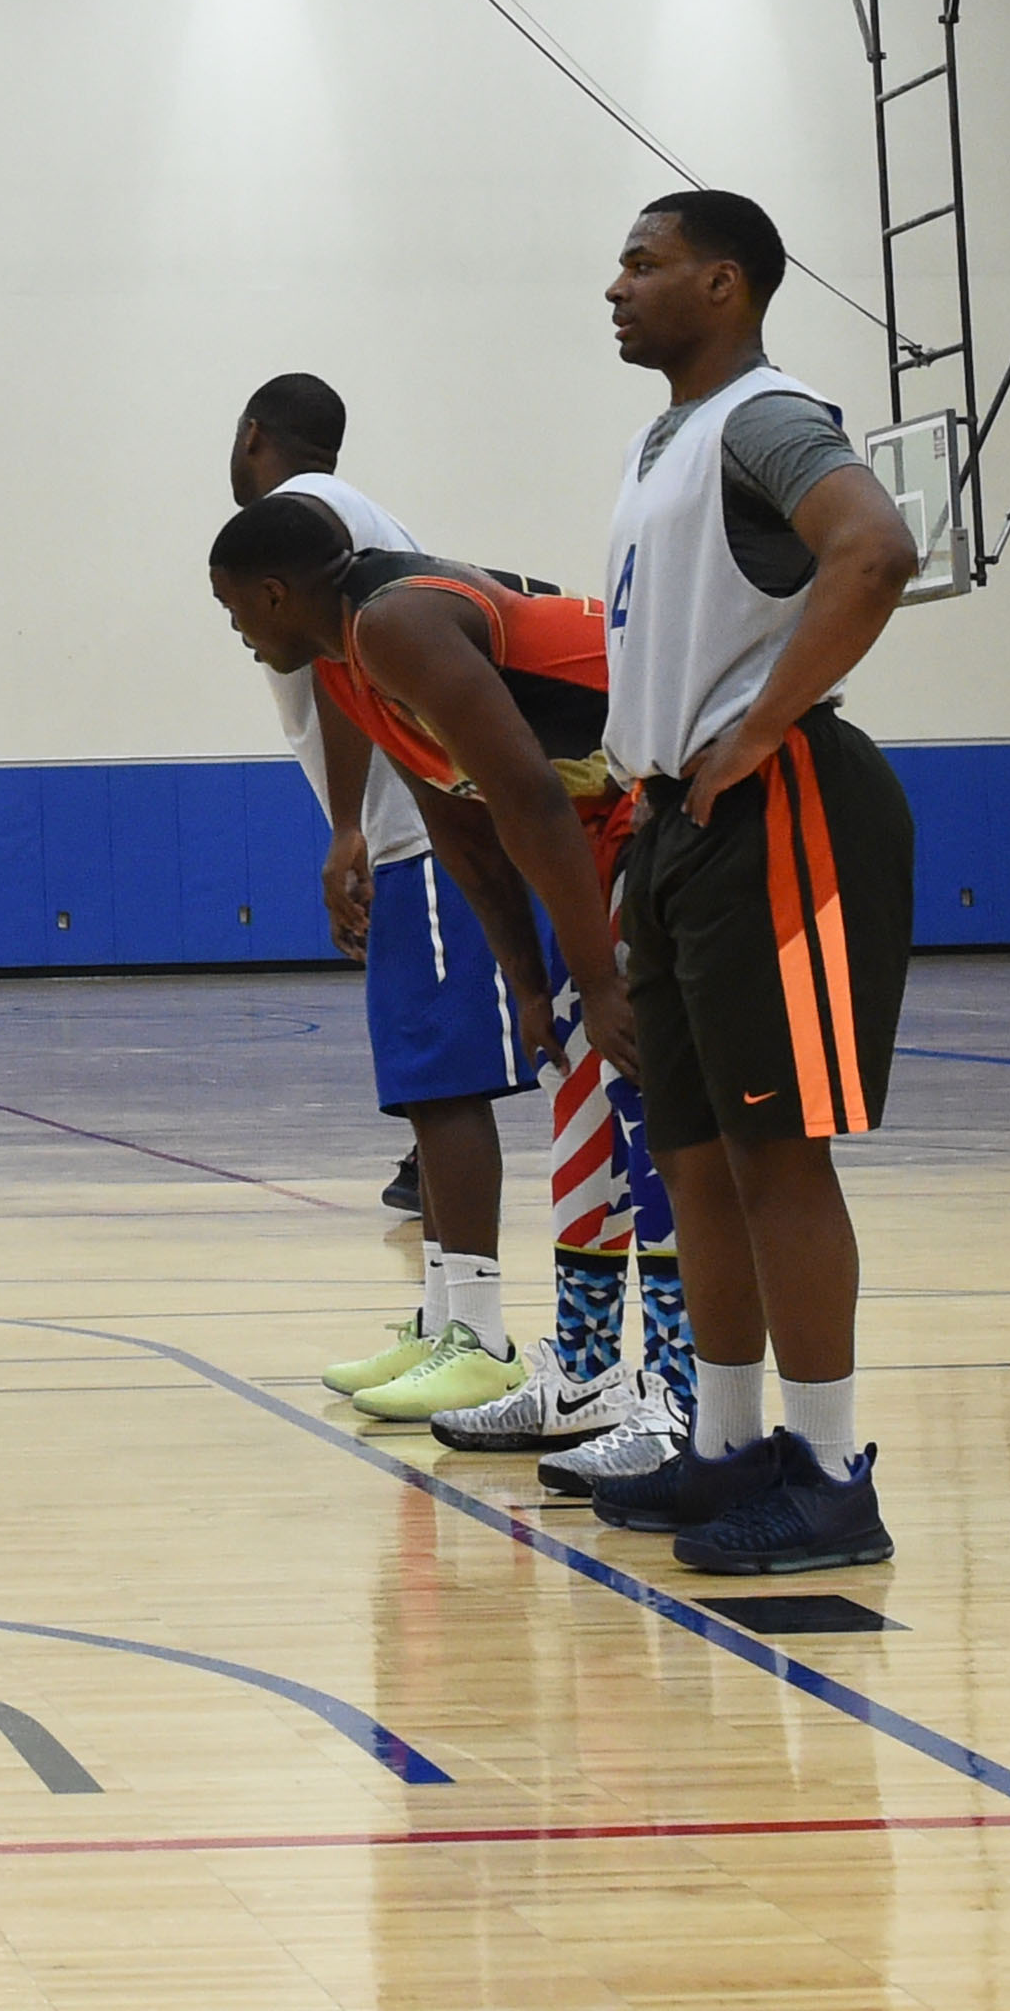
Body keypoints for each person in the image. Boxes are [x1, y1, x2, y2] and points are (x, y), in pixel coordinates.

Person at [576, 191, 925, 1577]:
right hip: (677, 826)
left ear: (723, 285)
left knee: (780, 1154)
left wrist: (770, 720)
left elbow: (877, 549)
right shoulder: (666, 442)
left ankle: (832, 1475)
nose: (616, 285)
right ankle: (731, 1447)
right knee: (697, 1161)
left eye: (642, 263)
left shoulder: (767, 418)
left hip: (773, 812)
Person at [207, 506, 692, 1471]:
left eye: (233, 611)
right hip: (598, 825)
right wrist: (523, 976)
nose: (235, 632)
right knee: (580, 1099)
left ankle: (681, 1400)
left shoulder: (395, 621)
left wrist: (596, 977)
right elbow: (464, 823)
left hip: (669, 800)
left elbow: (530, 793)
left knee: (646, 1105)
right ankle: (591, 1374)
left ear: (274, 594)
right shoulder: (353, 663)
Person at [228, 379, 535, 1407]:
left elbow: (343, 669)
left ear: (252, 438)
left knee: (444, 1085)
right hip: (413, 832)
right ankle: (446, 1321)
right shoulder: (342, 515)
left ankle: (480, 1339)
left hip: (424, 829)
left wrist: (349, 823)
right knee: (420, 1083)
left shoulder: (312, 517)